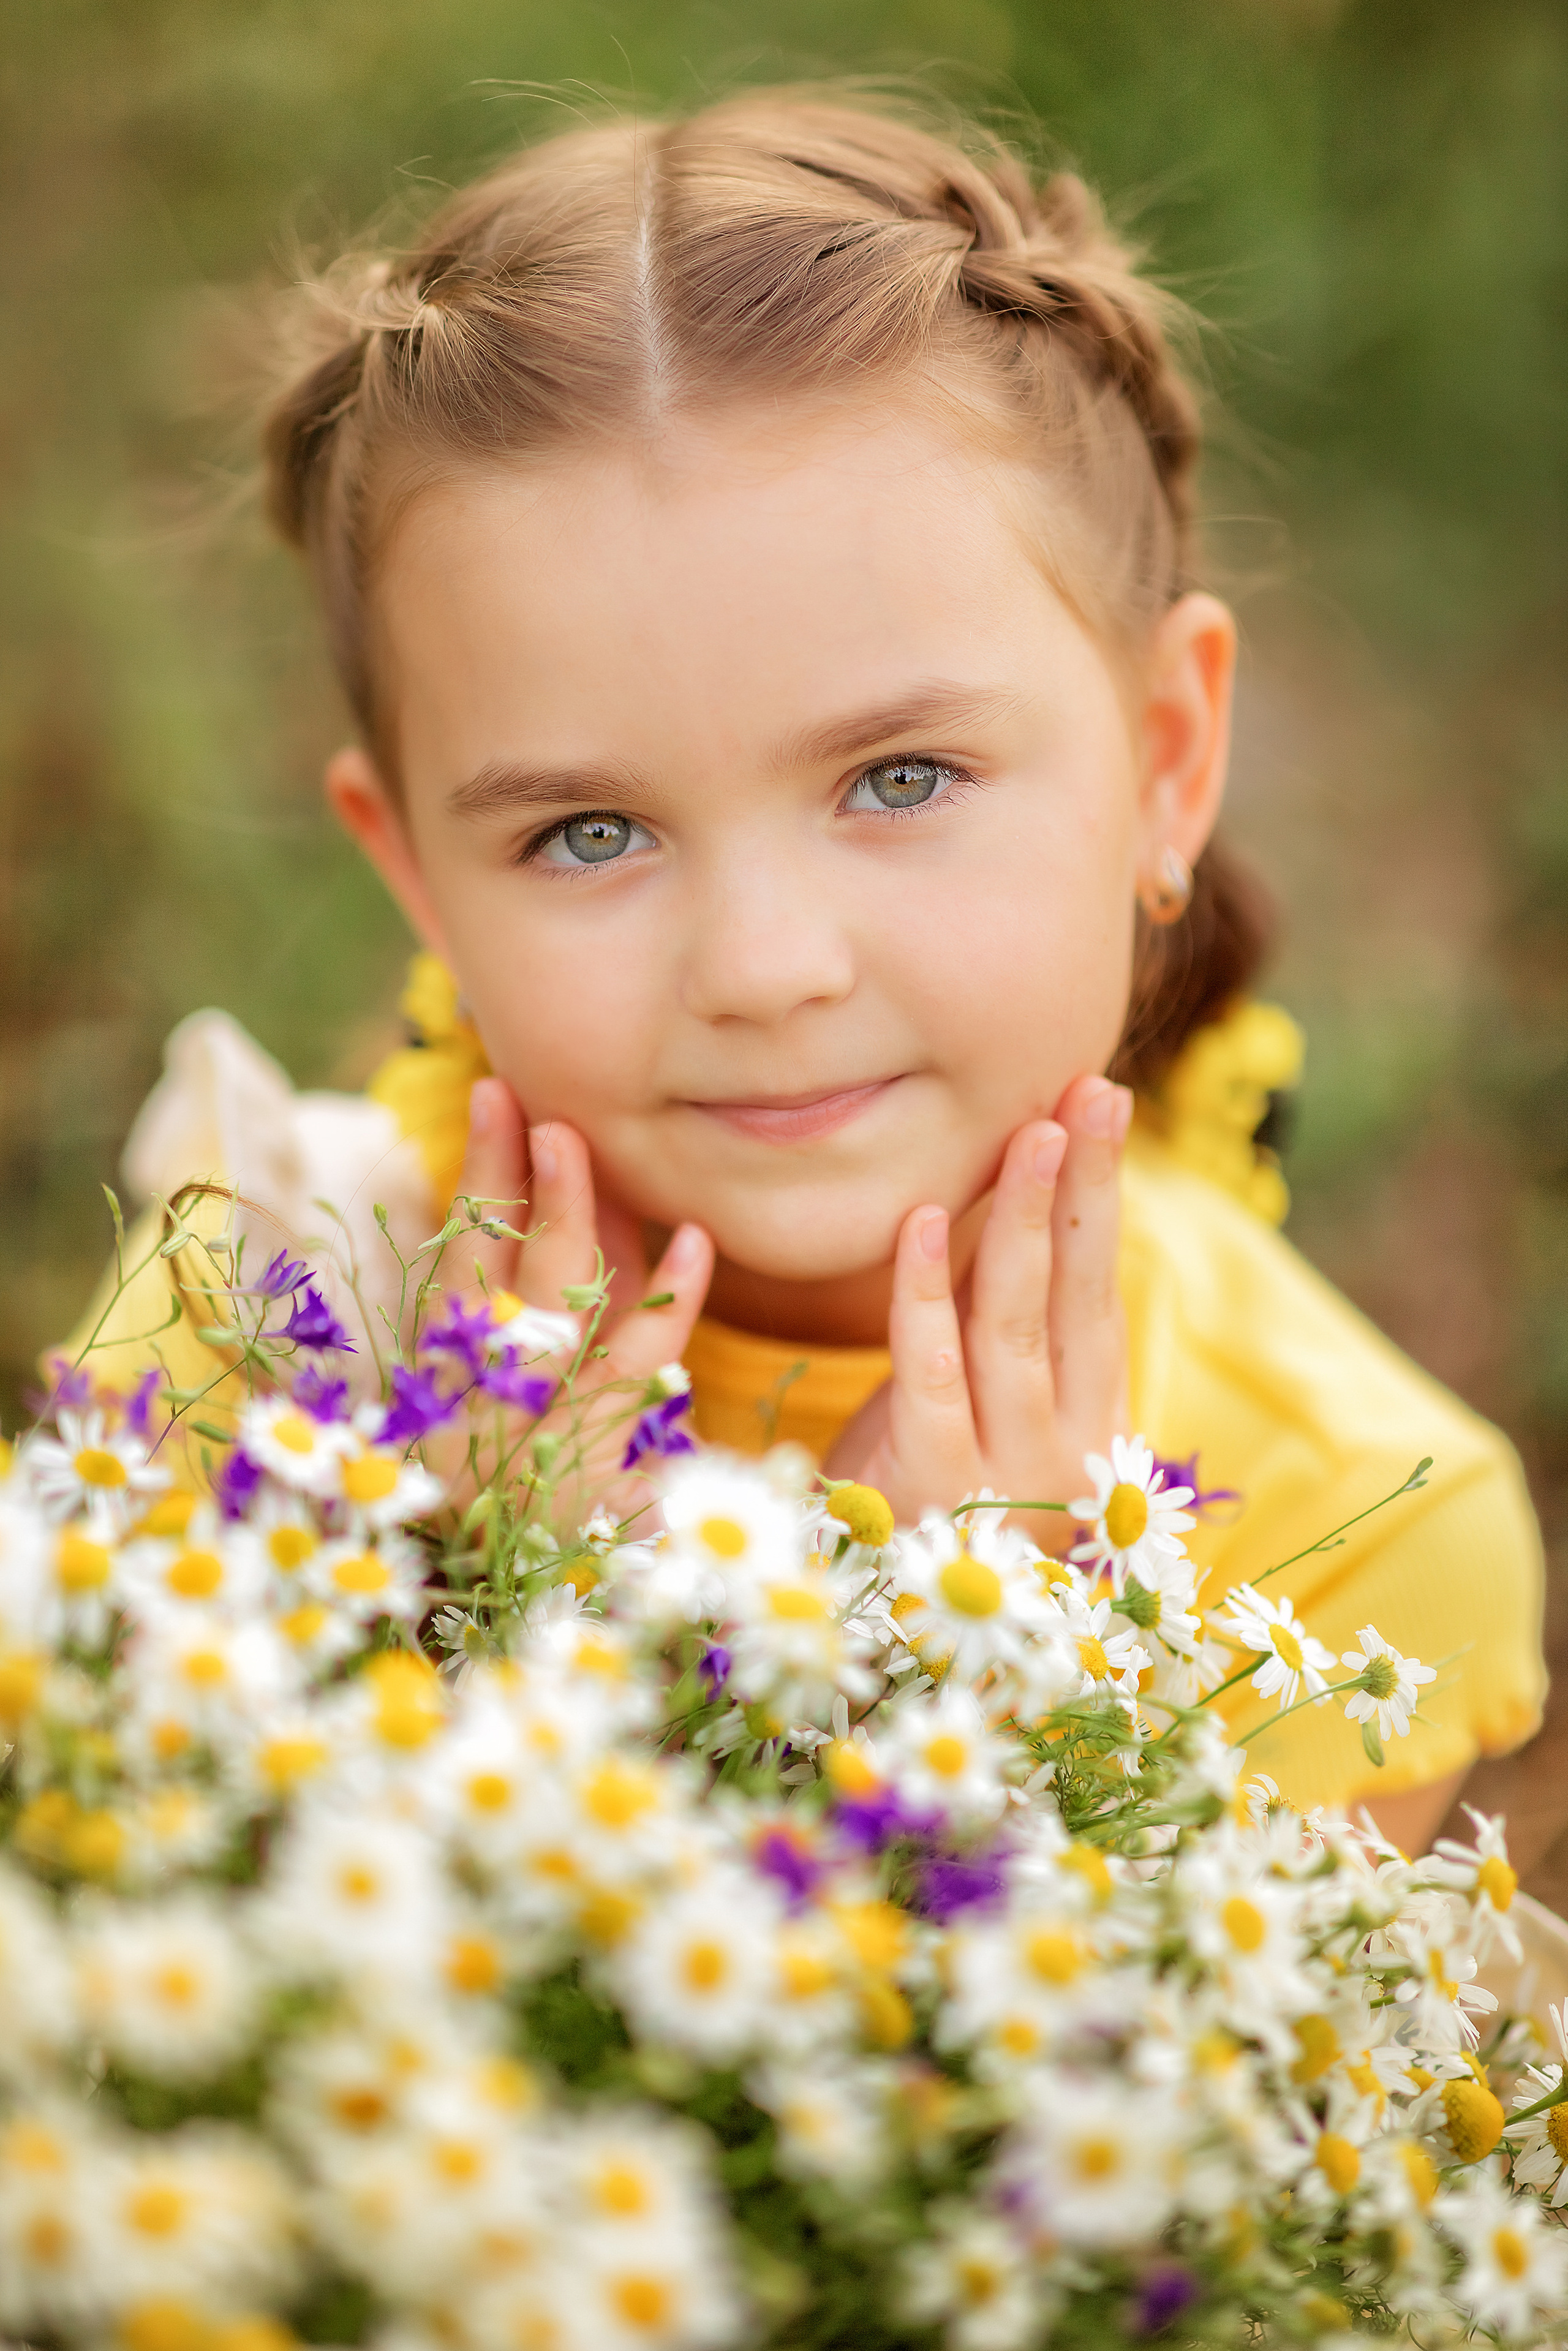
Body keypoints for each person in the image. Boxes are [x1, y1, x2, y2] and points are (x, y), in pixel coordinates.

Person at [70, 91, 1543, 1845]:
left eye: (899, 781)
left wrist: (984, 1681)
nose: (765, 970)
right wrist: (495, 1600)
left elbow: (1153, 2115)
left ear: (1167, 756)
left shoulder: (1352, 1524)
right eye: (587, 833)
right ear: (415, 873)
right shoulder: (262, 1331)